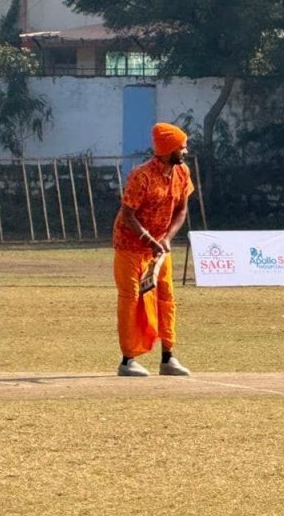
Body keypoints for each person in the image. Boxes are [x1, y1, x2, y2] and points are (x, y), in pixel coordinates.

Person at [112, 122, 194, 377]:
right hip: (131, 245)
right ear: (169, 149)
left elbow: (181, 210)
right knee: (132, 298)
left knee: (166, 296)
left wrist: (167, 237)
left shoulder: (182, 173)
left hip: (159, 247)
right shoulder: (142, 175)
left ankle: (168, 357)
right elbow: (128, 214)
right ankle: (128, 359)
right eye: (182, 147)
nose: (185, 151)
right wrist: (148, 238)